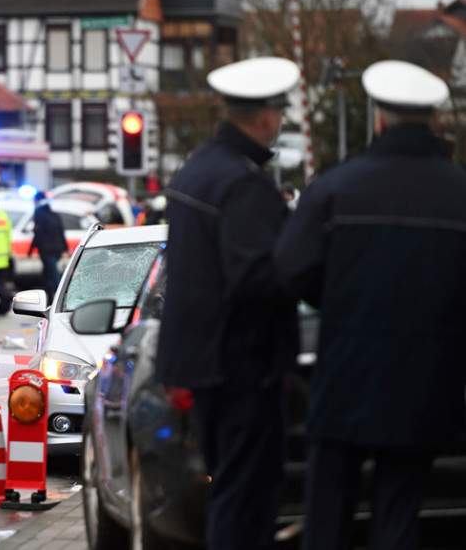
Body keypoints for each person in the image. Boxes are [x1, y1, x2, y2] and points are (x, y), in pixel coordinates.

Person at [274, 60, 465, 550]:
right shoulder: (458, 194)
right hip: (427, 386)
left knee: (328, 520)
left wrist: (339, 298)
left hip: (346, 381)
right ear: (436, 120)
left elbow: (290, 272)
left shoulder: (334, 189)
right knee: (398, 517)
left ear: (378, 117)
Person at [155, 57, 301, 549]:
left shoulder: (197, 170)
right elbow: (256, 278)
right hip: (242, 369)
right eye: (279, 113)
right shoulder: (243, 185)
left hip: (203, 365)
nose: (279, 122)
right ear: (265, 117)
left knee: (229, 494)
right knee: (246, 502)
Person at [28, 191, 68, 303]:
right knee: (47, 275)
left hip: (47, 250)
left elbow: (38, 233)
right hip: (57, 249)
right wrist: (65, 247)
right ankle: (50, 299)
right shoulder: (55, 214)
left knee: (53, 275)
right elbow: (61, 232)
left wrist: (31, 250)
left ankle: (61, 298)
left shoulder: (39, 213)